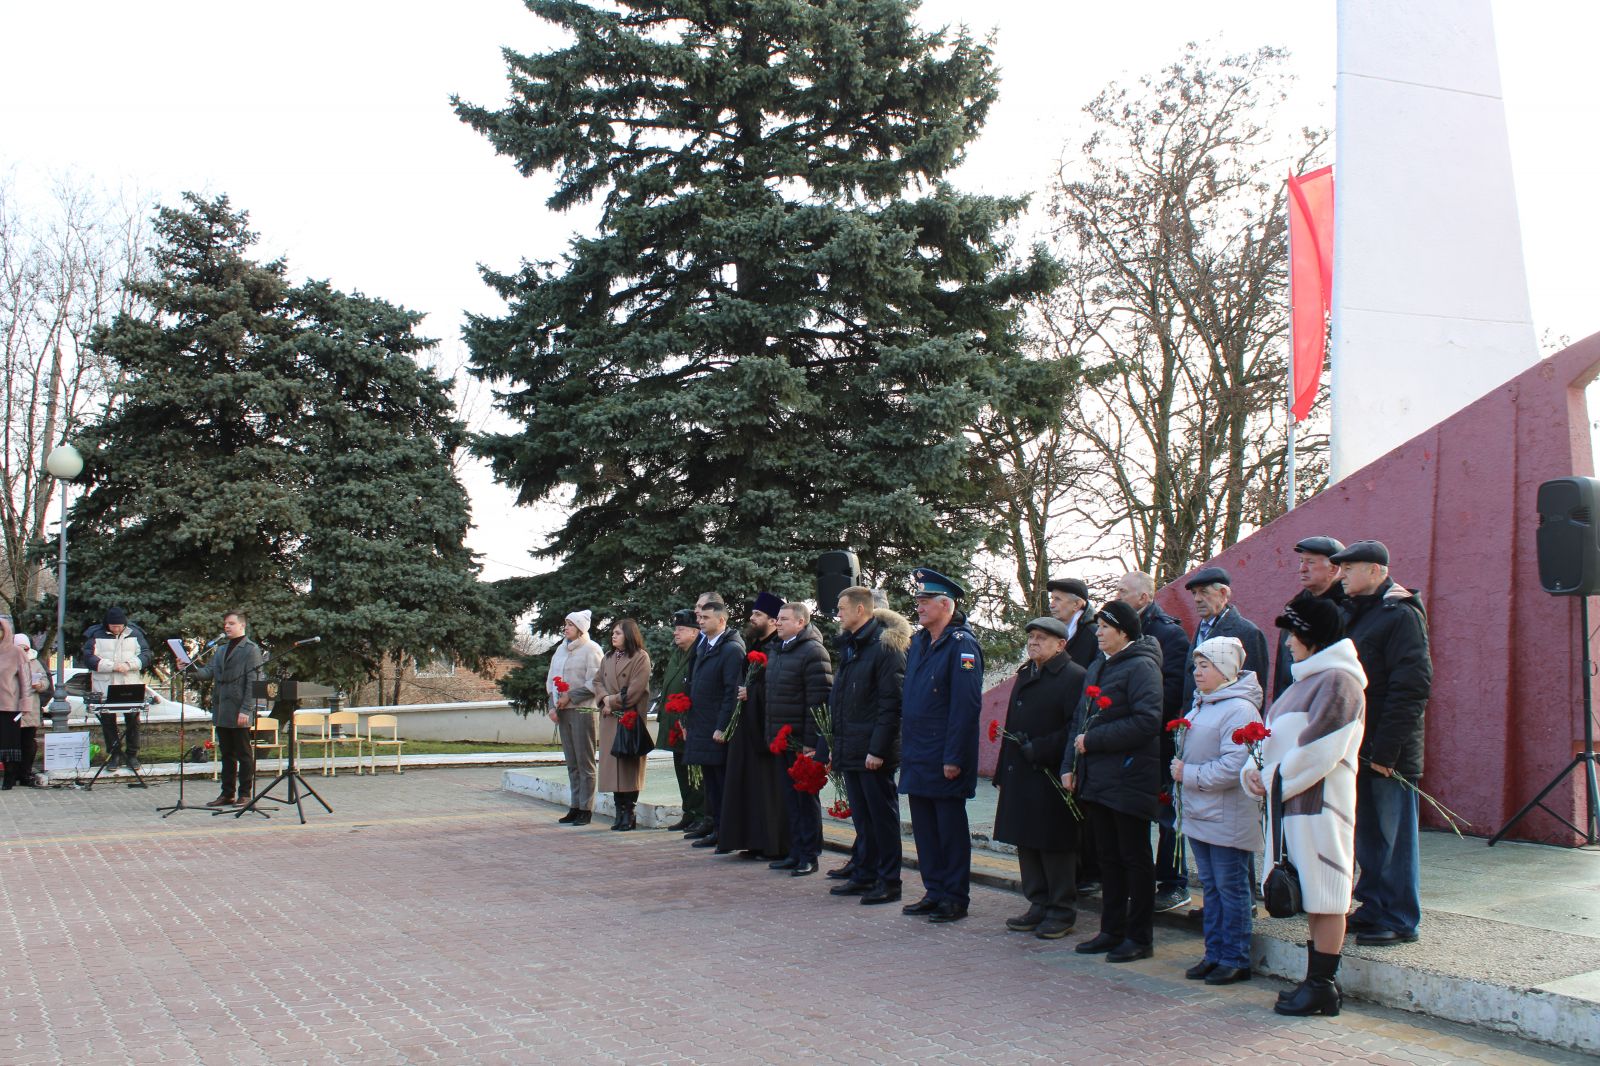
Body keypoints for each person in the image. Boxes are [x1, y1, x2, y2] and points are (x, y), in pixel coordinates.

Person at [1244, 597, 1366, 1016]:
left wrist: (1272, 777)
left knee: (1327, 895)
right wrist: (1253, 771)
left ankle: (1323, 986)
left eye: (1293, 634)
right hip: (1292, 808)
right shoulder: (1303, 683)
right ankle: (1315, 984)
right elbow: (1269, 740)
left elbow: (1321, 750)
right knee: (1313, 895)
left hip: (1322, 808)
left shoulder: (1340, 682)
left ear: (1312, 636)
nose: (1288, 642)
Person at [1333, 539, 1432, 947]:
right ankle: (1373, 906)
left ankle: (1400, 917)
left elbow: (1412, 686)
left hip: (1387, 751)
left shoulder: (1401, 615)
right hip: (1360, 745)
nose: (1342, 576)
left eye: (1350, 568)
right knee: (1369, 834)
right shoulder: (1359, 614)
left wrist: (1387, 751)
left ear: (1376, 571)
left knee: (1394, 837)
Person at [1063, 599, 1163, 963]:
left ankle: (1139, 937)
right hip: (1098, 777)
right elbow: (1080, 720)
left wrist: (1094, 742)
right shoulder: (1097, 666)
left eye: (1105, 627)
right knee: (1107, 857)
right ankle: (1111, 929)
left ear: (1123, 632)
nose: (1098, 632)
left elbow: (1147, 720)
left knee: (1133, 858)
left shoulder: (1142, 667)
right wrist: (1069, 764)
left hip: (1129, 775)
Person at [1173, 636, 1264, 985]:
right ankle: (1214, 953)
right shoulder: (1203, 703)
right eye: (1196, 665)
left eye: (1205, 666)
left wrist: (1188, 774)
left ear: (1225, 669)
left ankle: (1235, 957)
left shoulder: (1240, 709)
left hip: (1227, 814)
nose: (1197, 672)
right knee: (1210, 887)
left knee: (1231, 888)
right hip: (1201, 811)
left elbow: (1233, 766)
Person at [900, 568, 984, 924]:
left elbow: (965, 708)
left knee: (949, 830)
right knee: (925, 829)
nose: (918, 606)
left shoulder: (962, 646)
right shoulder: (919, 642)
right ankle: (934, 891)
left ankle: (954, 897)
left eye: (925, 601)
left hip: (943, 755)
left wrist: (954, 757)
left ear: (945, 605)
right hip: (918, 753)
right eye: (917, 600)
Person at [993, 616, 1086, 939]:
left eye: (1042, 638)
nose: (1033, 642)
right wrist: (1002, 769)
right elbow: (1011, 721)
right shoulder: (1026, 673)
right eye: (1031, 636)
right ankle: (1038, 902)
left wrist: (1042, 749)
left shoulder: (1074, 677)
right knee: (1026, 840)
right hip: (1020, 771)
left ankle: (1061, 910)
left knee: (1054, 844)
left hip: (1050, 772)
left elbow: (1075, 725)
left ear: (1061, 644)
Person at [1115, 570, 1195, 913]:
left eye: (1122, 591)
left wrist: (1140, 722)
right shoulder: (1119, 632)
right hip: (1125, 741)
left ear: (1144, 598)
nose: (1116, 595)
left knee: (1167, 815)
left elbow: (1172, 690)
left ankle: (1173, 883)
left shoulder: (1169, 635)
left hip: (1156, 741)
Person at [826, 585, 910, 905]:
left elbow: (891, 703)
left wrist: (877, 749)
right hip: (852, 746)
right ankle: (865, 874)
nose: (838, 613)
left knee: (882, 819)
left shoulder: (885, 646)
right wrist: (838, 744)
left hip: (874, 752)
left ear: (861, 610)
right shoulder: (852, 645)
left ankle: (889, 881)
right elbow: (844, 700)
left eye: (842, 608)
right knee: (863, 818)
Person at [763, 601, 834, 876]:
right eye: (777, 618)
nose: (777, 622)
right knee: (790, 800)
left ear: (800, 623)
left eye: (783, 619)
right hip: (782, 740)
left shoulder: (813, 651)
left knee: (805, 799)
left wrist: (811, 742)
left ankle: (809, 855)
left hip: (800, 743)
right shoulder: (778, 650)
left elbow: (818, 702)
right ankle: (795, 851)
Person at [719, 591, 789, 859]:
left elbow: (781, 686)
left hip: (766, 729)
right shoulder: (755, 647)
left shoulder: (777, 648)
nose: (752, 618)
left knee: (767, 789)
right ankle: (752, 840)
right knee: (747, 785)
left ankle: (771, 844)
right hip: (747, 727)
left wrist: (752, 692)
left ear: (772, 620)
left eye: (758, 615)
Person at [683, 597, 745, 850]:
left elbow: (731, 692)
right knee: (711, 782)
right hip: (701, 724)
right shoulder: (703, 646)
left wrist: (723, 725)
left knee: (721, 782)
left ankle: (725, 832)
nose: (700, 621)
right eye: (699, 617)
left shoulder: (731, 649)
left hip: (716, 728)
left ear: (721, 620)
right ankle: (715, 828)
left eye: (705, 618)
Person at [192, 611, 264, 807]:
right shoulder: (221, 649)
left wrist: (246, 710)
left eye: (231, 623)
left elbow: (254, 681)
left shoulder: (250, 649)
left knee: (243, 754)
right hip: (222, 708)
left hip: (240, 708)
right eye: (225, 624)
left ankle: (245, 793)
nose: (227, 627)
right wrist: (191, 669)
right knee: (227, 754)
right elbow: (209, 672)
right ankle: (227, 794)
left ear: (242, 626)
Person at [593, 618, 652, 832]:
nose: (613, 636)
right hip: (610, 719)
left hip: (629, 719)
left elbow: (636, 689)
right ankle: (619, 812)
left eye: (618, 633)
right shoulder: (607, 657)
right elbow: (597, 681)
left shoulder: (640, 657)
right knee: (613, 768)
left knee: (628, 766)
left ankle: (629, 812)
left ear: (629, 634)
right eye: (612, 633)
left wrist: (611, 701)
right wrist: (603, 700)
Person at [548, 610, 604, 826]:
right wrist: (553, 704)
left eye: (570, 624)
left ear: (580, 628)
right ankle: (574, 805)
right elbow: (551, 680)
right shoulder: (560, 650)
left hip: (583, 711)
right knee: (571, 761)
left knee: (585, 761)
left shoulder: (592, 650)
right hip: (563, 711)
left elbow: (595, 682)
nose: (566, 628)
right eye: (565, 624)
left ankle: (586, 808)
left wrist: (570, 696)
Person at [1273, 537, 1347, 700]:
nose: (1302, 569)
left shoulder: (1346, 610)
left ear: (1333, 569)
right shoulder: (1294, 607)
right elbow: (1282, 670)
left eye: (1310, 562)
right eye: (1301, 561)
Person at [81, 606, 154, 770]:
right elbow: (88, 658)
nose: (117, 629)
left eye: (119, 626)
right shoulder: (95, 635)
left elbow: (146, 655)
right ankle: (114, 755)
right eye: (114, 626)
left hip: (129, 684)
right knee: (108, 721)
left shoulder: (135, 634)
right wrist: (112, 666)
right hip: (104, 686)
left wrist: (129, 665)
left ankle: (132, 755)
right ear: (107, 625)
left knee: (133, 721)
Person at [657, 608, 706, 834]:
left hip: (689, 723)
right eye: (675, 629)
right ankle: (689, 811)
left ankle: (701, 814)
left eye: (681, 629)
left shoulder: (698, 653)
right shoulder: (677, 653)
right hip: (673, 722)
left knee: (695, 772)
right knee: (681, 769)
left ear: (695, 632)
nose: (675, 633)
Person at [1, 620, 39, 791]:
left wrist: (26, 703)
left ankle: (10, 778)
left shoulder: (16, 653)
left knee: (9, 744)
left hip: (9, 706)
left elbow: (26, 680)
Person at [1046, 578, 1099, 669]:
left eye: (1057, 599)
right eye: (1052, 598)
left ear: (1076, 604)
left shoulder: (1095, 633)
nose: (1051, 605)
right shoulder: (1051, 630)